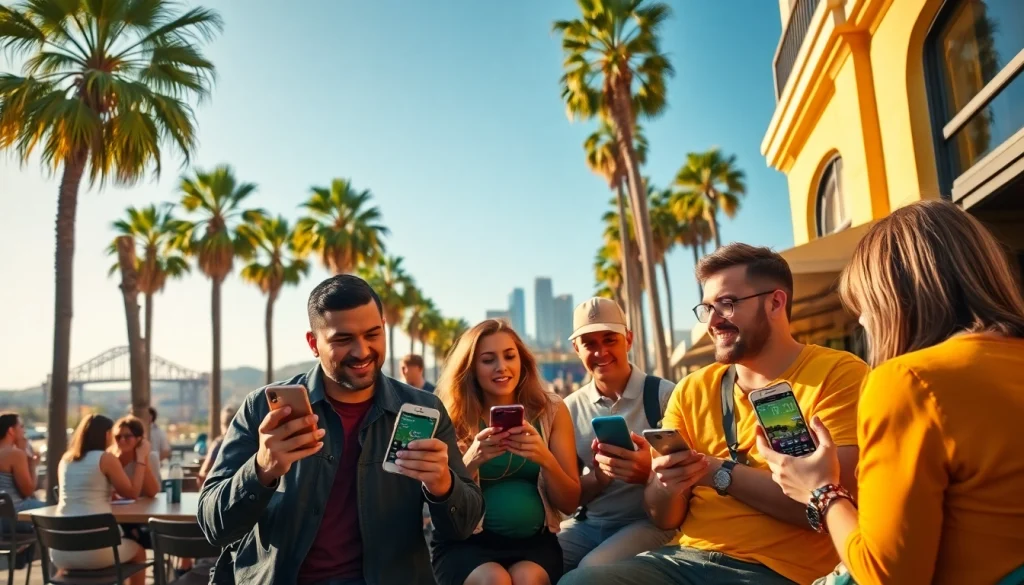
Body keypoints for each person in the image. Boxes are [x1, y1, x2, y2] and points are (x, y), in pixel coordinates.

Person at [562, 243, 868, 585]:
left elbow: (830, 506)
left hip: (780, 572)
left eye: (728, 304)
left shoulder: (838, 374)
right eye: (707, 308)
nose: (714, 320)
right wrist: (665, 482)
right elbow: (663, 518)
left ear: (776, 302)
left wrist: (716, 471)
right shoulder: (692, 388)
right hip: (681, 559)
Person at [761, 201, 1024, 585]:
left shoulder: (908, 382)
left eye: (863, 309)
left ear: (892, 302)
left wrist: (821, 491)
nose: (864, 323)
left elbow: (887, 577)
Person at [199, 275, 483, 585]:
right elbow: (214, 527)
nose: (362, 351)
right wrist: (262, 468)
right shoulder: (261, 408)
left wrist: (443, 484)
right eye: (342, 339)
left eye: (373, 334)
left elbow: (463, 527)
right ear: (313, 344)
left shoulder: (425, 410)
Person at [431, 319, 579, 585]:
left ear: (522, 361)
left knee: (526, 578)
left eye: (509, 356)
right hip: (466, 544)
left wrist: (544, 458)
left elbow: (569, 502)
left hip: (536, 545)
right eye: (488, 360)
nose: (502, 367)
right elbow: (440, 507)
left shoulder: (552, 411)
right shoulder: (453, 418)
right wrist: (471, 460)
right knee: (494, 580)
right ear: (471, 369)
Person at [558, 298, 676, 572]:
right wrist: (599, 478)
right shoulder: (569, 408)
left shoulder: (663, 395)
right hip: (587, 524)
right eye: (589, 343)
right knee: (535, 562)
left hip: (650, 523)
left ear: (629, 340)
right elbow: (570, 495)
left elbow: (688, 475)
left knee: (590, 570)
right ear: (576, 348)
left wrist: (647, 470)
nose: (601, 352)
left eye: (610, 340)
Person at [52, 414, 150, 585]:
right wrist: (141, 458)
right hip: (95, 549)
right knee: (139, 552)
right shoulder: (105, 458)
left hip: (60, 551)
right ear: (106, 435)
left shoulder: (65, 460)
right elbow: (133, 492)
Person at [0, 412, 46, 532]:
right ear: (11, 430)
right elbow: (28, 491)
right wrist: (31, 463)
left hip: (3, 519)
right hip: (13, 517)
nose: (24, 431)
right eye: (21, 426)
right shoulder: (15, 454)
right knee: (54, 510)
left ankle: (24, 550)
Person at [197, 406, 237, 487]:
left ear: (222, 424)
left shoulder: (219, 444)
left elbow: (203, 474)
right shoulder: (249, 442)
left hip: (220, 493)